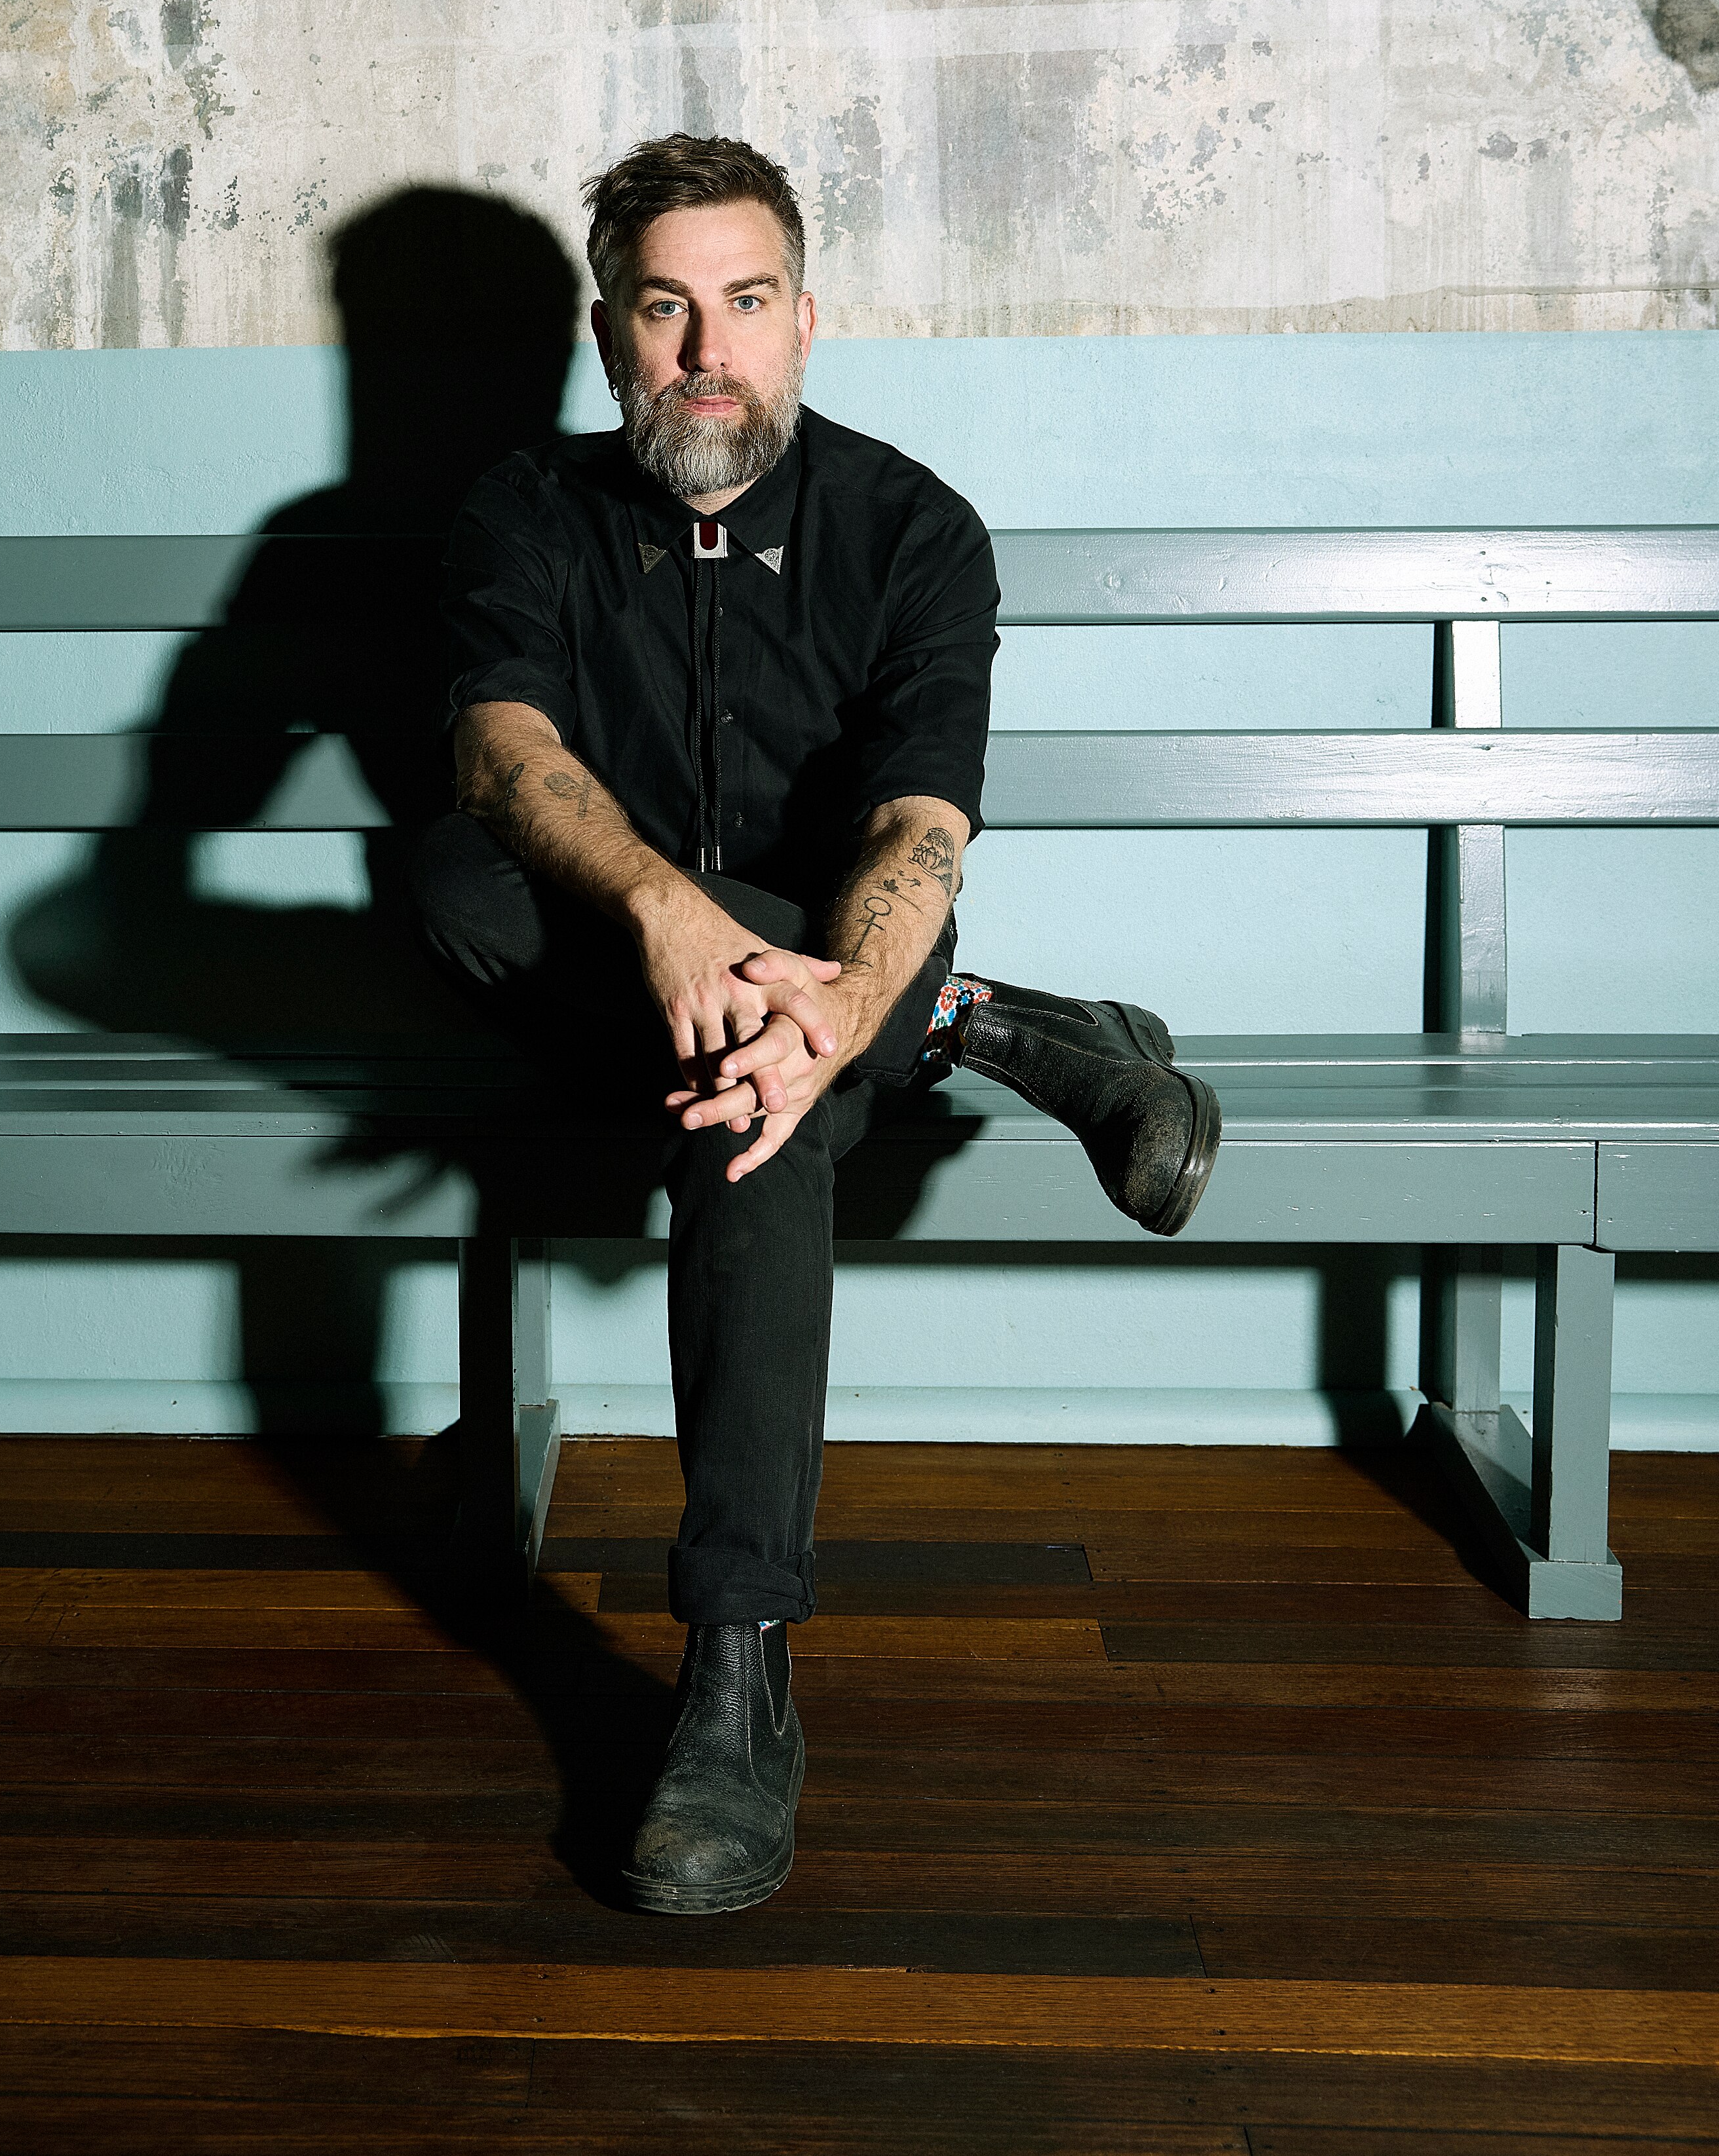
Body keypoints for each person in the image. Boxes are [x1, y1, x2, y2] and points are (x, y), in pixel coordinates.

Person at [410, 133, 1220, 1918]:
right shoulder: (521, 514)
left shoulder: (913, 530)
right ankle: (996, 1028)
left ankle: (734, 1665)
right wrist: (667, 909)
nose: (710, 344)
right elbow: (505, 755)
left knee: (746, 1102)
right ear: (609, 329)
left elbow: (919, 824)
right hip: (634, 966)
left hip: (839, 979)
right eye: (665, 304)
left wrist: (839, 999)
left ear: (806, 319)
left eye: (748, 302)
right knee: (468, 885)